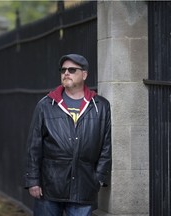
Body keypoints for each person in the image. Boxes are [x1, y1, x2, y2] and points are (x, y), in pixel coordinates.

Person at [24, 54, 112, 216]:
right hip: (49, 187)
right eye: (63, 70)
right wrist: (33, 181)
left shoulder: (101, 106)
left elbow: (106, 147)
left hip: (84, 186)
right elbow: (34, 146)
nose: (66, 73)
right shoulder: (46, 105)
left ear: (84, 74)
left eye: (72, 70)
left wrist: (98, 178)